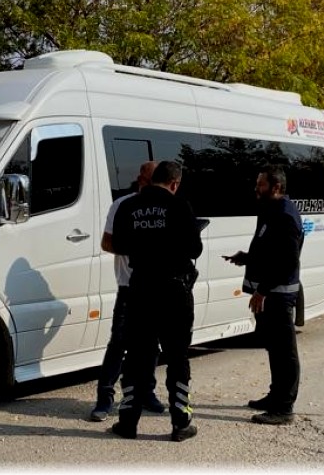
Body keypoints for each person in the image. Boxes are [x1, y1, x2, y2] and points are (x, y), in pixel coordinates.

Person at [108, 161, 203, 442]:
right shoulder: (179, 205)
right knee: (177, 357)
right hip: (174, 290)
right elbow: (194, 248)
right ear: (175, 183)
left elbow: (119, 245)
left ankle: (128, 422)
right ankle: (180, 422)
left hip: (140, 289)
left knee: (136, 357)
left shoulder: (128, 206)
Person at [224, 166, 303, 426]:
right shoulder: (271, 210)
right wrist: (246, 258)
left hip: (278, 295)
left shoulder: (286, 215)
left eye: (261, 184)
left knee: (284, 351)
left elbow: (288, 261)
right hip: (270, 293)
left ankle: (284, 408)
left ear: (276, 187)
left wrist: (263, 290)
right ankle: (275, 395)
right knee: (274, 348)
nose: (256, 188)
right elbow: (270, 250)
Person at [89, 161, 167, 422]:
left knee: (152, 345)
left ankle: (146, 393)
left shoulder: (167, 206)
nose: (146, 183)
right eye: (145, 178)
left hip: (158, 286)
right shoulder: (123, 205)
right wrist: (141, 247)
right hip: (129, 286)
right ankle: (104, 399)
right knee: (119, 343)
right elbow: (106, 242)